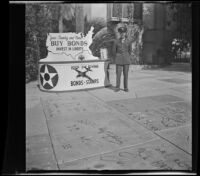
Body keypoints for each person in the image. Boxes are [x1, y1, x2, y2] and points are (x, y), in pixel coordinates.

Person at [112, 26, 132, 92]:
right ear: (119, 33)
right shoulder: (116, 41)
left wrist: (127, 56)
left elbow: (130, 51)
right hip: (118, 60)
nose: (122, 34)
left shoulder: (129, 41)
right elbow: (114, 51)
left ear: (125, 33)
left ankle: (125, 88)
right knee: (118, 74)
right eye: (121, 33)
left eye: (123, 33)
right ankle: (117, 87)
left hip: (126, 60)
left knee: (126, 75)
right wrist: (116, 57)